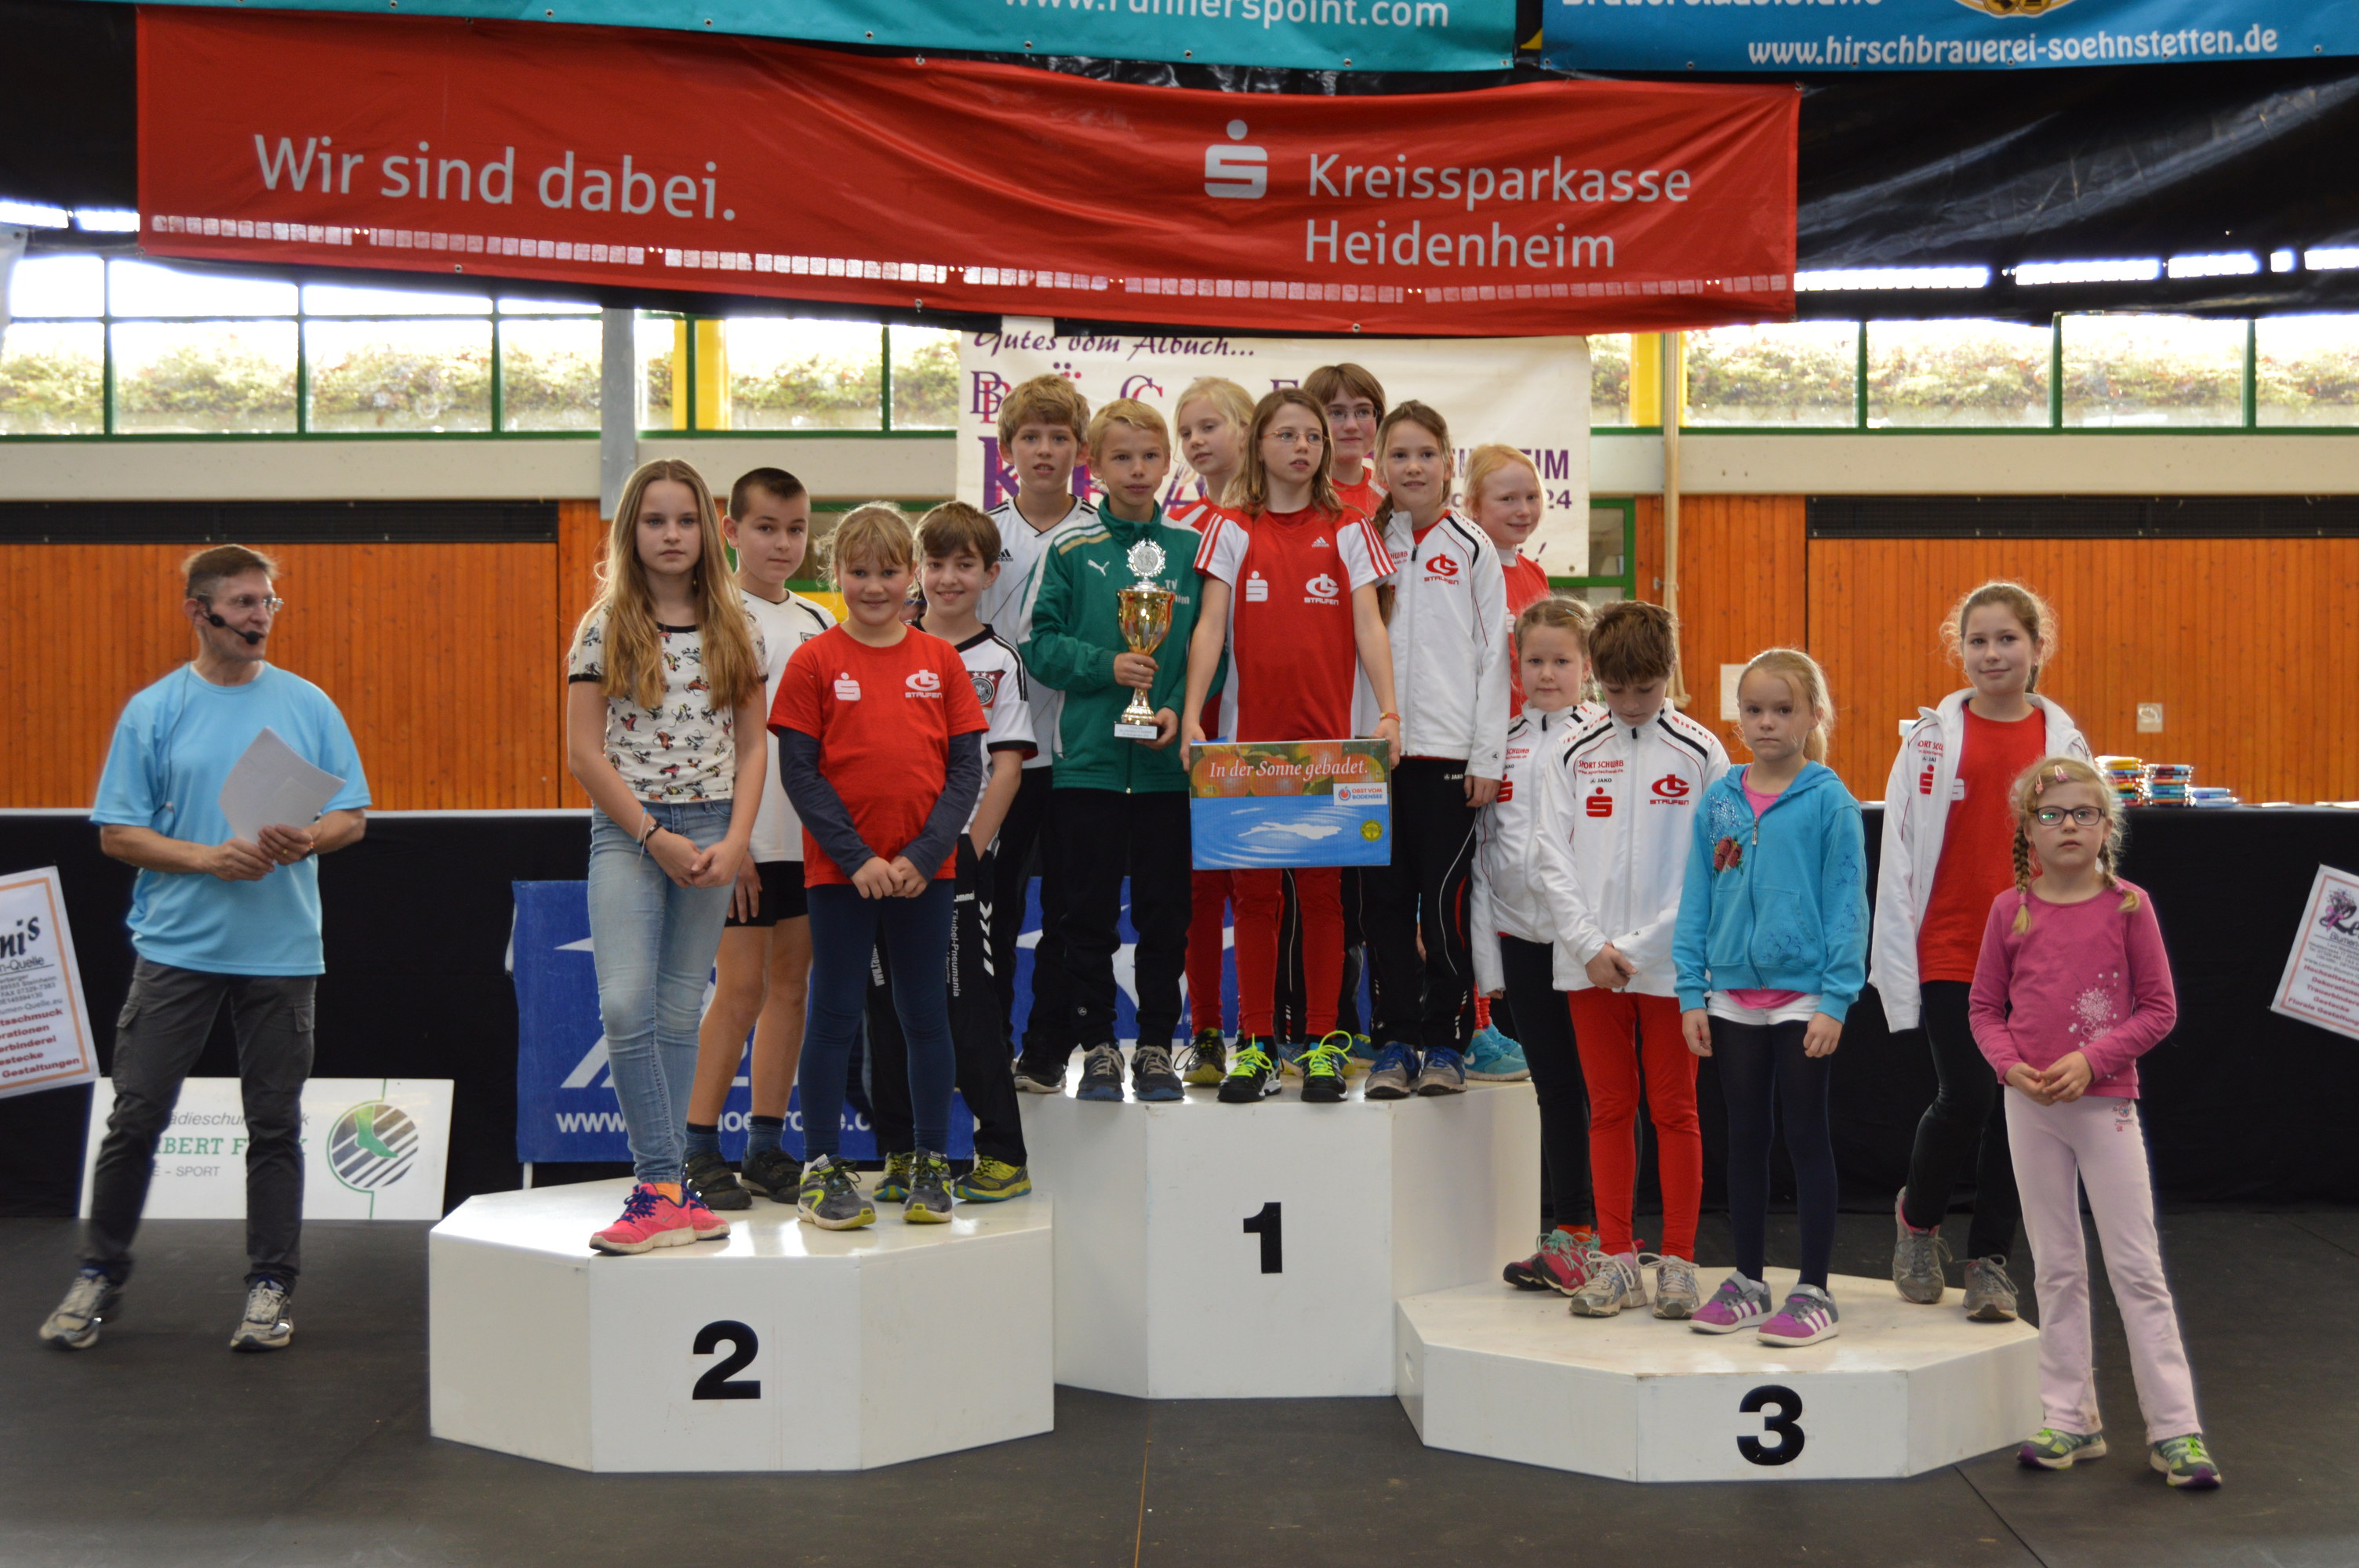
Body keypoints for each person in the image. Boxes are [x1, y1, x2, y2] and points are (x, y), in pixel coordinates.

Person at [42, 546, 370, 1353]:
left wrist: (309, 838)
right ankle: (98, 1273)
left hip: (281, 951)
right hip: (177, 949)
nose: (261, 617)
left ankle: (270, 1287)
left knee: (274, 1126)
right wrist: (207, 858)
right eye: (245, 602)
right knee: (135, 1117)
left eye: (269, 602)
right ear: (199, 611)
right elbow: (118, 834)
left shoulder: (308, 704)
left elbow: (351, 818)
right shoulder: (154, 710)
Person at [1972, 757, 2220, 1489]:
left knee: (2136, 1269)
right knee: (2055, 1266)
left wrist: (2091, 1060)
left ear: (2107, 826)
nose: (2069, 826)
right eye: (2052, 815)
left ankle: (2176, 1431)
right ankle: (2070, 1418)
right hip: (2031, 1109)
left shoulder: (2129, 908)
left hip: (2106, 1105)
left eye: (2084, 813)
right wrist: (2010, 1068)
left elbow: (2159, 1009)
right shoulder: (2008, 910)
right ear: (2029, 830)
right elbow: (1984, 1009)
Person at [564, 459, 768, 1255]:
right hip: (630, 833)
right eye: (655, 520)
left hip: (714, 828)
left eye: (686, 520)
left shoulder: (735, 625)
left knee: (682, 1009)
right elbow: (584, 753)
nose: (672, 535)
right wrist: (654, 835)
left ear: (707, 532)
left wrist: (737, 839)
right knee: (625, 1005)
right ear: (631, 531)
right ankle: (660, 1185)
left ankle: (670, 1194)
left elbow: (752, 746)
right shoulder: (604, 625)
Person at [1180, 387, 1401, 1104]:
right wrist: (1192, 718)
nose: (1302, 446)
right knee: (1254, 897)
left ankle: (1323, 1043)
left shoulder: (1351, 527)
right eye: (1287, 435)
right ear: (1260, 445)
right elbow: (1209, 627)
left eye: (1312, 435)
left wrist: (1389, 712)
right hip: (1248, 745)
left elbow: (1370, 626)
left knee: (1324, 897)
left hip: (1329, 747)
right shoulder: (1230, 526)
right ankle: (1256, 1046)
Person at [1877, 581, 2088, 1321]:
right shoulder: (1928, 741)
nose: (1992, 653)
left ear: (2037, 648)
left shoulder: (2065, 745)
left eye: (2007, 639)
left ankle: (1990, 1260)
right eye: (1978, 640)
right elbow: (1898, 853)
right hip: (1951, 948)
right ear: (1959, 650)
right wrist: (1895, 952)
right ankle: (1918, 1222)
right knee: (1966, 1097)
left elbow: (2088, 851)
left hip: (2037, 958)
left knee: (2023, 1111)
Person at [772, 505, 984, 1229]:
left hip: (926, 875)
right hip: (842, 877)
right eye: (858, 572)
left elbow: (966, 770)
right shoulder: (813, 662)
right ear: (835, 574)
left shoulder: (941, 661)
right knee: (833, 1016)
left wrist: (924, 855)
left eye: (888, 572)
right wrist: (856, 857)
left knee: (925, 1016)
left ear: (911, 576)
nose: (873, 586)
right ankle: (821, 1166)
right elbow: (799, 773)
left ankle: (928, 1162)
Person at [1539, 600, 1727, 1319]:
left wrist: (1642, 947)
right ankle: (1616, 1259)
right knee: (1610, 1108)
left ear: (1669, 673)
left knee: (1676, 1110)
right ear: (1595, 677)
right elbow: (1550, 858)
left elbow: (1714, 869)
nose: (1628, 704)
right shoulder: (1570, 751)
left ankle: (1678, 1261)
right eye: (1613, 690)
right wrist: (1589, 946)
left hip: (1672, 967)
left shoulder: (1703, 753)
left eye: (1644, 690)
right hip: (1587, 965)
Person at [1675, 648, 1867, 1347]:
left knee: (1806, 1135)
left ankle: (1814, 1290)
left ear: (1813, 715)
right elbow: (1697, 895)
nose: (1767, 723)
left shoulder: (1831, 802)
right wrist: (1690, 990)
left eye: (1783, 710)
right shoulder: (1720, 800)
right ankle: (1749, 1281)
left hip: (1804, 998)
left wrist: (1836, 998)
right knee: (1745, 1137)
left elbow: (1848, 903)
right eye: (1754, 710)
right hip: (1730, 996)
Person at [1020, 400, 1209, 1104]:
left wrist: (1177, 708)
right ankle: (1098, 1047)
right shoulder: (1071, 549)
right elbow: (1037, 643)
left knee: (1166, 916)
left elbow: (1209, 650)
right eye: (1121, 457)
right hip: (1088, 766)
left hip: (1167, 772)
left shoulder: (1191, 549)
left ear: (1168, 463)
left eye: (1150, 456)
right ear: (1094, 465)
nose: (1137, 470)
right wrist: (1107, 666)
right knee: (1087, 918)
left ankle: (1156, 1045)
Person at [864, 503, 1035, 1203]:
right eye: (935, 564)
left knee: (967, 1008)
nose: (948, 578)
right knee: (886, 1010)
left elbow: (1008, 768)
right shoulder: (887, 646)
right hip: (884, 863)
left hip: (957, 864)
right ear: (917, 571)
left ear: (990, 574)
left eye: (965, 565)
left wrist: (970, 850)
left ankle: (1002, 1154)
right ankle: (901, 1154)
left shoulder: (998, 661)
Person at [680, 468, 834, 1210]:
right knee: (739, 991)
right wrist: (729, 838)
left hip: (806, 842)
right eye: (766, 528)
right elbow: (705, 736)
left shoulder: (820, 622)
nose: (782, 543)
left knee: (790, 989)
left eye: (796, 529)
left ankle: (766, 1147)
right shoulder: (708, 616)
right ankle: (696, 1147)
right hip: (738, 841)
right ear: (731, 531)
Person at [1356, 402, 1511, 1102]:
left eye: (1426, 454)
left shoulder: (1473, 547)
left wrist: (1486, 757)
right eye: (1399, 455)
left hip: (1450, 761)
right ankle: (1394, 1040)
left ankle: (1447, 1041)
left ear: (1449, 463)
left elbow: (1493, 658)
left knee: (1446, 909)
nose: (1413, 467)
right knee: (1384, 909)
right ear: (1379, 466)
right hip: (1375, 761)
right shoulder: (1364, 542)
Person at [1470, 597, 1601, 1296]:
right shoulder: (1499, 743)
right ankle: (1572, 1233)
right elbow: (1484, 859)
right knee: (1554, 1089)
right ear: (1515, 665)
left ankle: (1616, 1235)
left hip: (1587, 948)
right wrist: (1488, 964)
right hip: (1522, 943)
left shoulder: (1603, 741)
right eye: (1535, 661)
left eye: (1562, 661)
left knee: (1607, 1091)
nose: (1547, 674)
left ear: (1588, 666)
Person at [984, 376, 1096, 1092]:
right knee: (992, 906)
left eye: (1059, 437)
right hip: (997, 758)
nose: (1045, 450)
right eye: (1031, 437)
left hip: (1077, 753)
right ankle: (987, 1042)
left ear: (1081, 450)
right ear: (1007, 450)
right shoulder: (981, 534)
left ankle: (1048, 1048)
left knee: (1069, 910)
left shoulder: (1103, 535)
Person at [1169, 376, 1255, 1087]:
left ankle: (1266, 1031)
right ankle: (1203, 1032)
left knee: (1265, 891)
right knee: (1199, 890)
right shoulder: (1179, 528)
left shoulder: (1279, 518)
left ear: (1246, 429)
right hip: (1200, 728)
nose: (1196, 441)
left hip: (1269, 730)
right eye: (1186, 432)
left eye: (1209, 426)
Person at [1464, 444, 1556, 711]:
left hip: (1528, 723)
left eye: (1532, 497)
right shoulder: (1461, 571)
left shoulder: (1535, 573)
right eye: (1508, 499)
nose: (1524, 510)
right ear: (1474, 505)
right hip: (1476, 723)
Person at [1305, 361, 1387, 524]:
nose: (1351, 425)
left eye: (1363, 411)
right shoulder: (1295, 494)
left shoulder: (1393, 493)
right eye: (1336, 413)